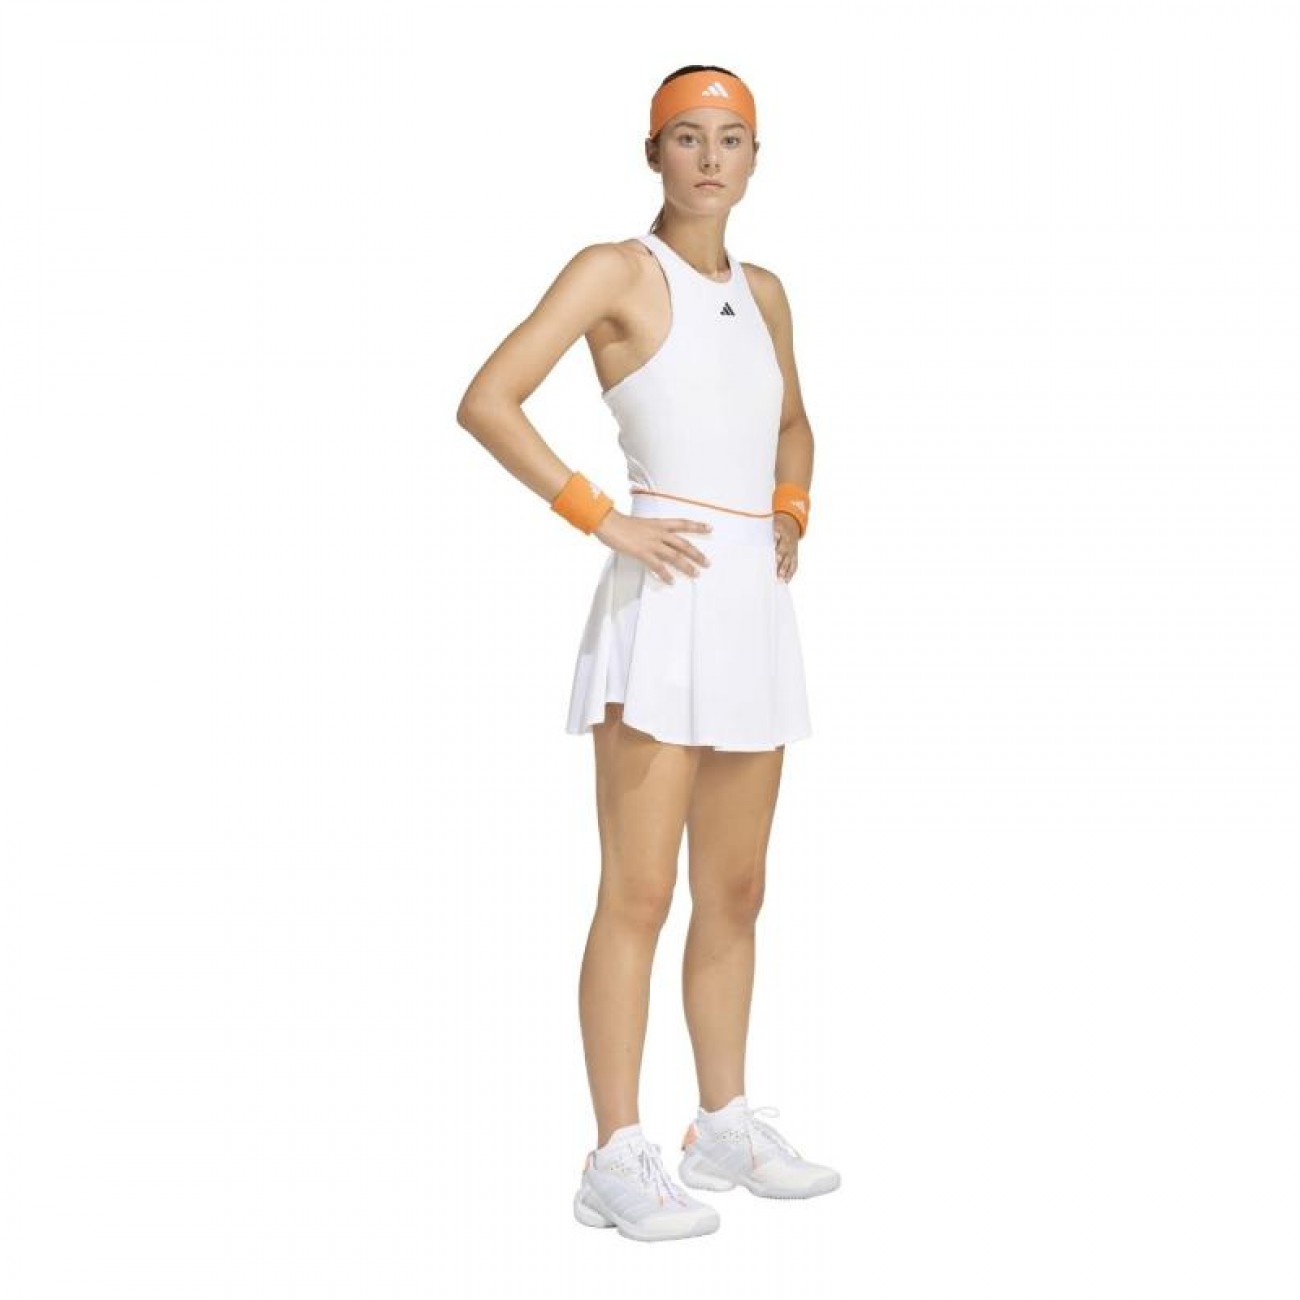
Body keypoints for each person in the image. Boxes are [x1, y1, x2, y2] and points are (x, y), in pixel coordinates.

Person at [456, 64, 839, 1243]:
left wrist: (789, 507)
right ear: (652, 153)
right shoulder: (614, 272)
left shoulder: (765, 292)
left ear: (756, 158)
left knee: (738, 887)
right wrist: (599, 516)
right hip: (662, 606)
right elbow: (488, 398)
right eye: (686, 137)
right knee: (638, 889)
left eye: (731, 139)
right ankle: (614, 1153)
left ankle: (720, 1124)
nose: (709, 159)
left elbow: (791, 420)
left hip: (750, 610)